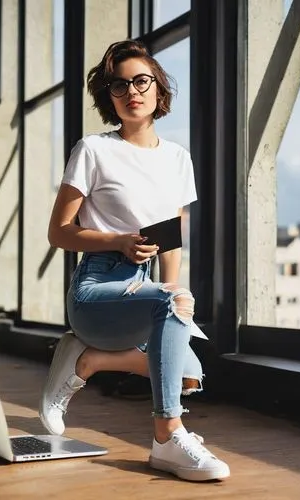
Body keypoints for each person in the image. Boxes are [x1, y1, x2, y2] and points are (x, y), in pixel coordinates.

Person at [39, 39, 230, 482]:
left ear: (158, 89)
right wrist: (117, 242)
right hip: (98, 287)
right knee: (171, 338)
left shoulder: (178, 158)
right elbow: (58, 232)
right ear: (110, 97)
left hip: (147, 289)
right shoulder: (93, 149)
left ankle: (86, 360)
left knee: (186, 377)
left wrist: (173, 291)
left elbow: (174, 239)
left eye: (141, 81)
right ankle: (167, 437)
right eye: (119, 85)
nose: (131, 92)